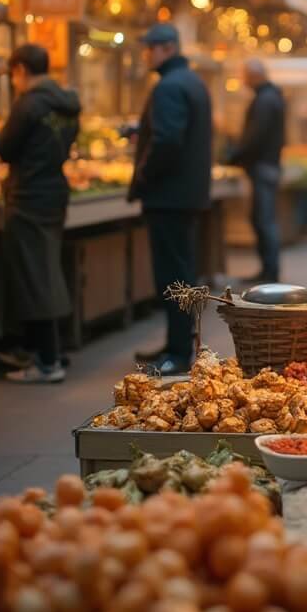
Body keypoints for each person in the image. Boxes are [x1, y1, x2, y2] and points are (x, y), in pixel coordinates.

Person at [129, 24, 212, 376]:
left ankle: (178, 353)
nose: (146, 54)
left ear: (166, 48)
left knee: (173, 276)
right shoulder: (192, 82)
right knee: (182, 273)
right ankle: (179, 343)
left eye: (149, 48)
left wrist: (144, 174)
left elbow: (168, 141)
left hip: (169, 196)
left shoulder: (168, 86)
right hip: (186, 194)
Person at [0, 44, 81, 384]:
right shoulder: (67, 104)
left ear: (20, 69)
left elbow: (5, 149)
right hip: (54, 192)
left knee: (36, 275)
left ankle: (47, 361)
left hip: (28, 194)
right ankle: (45, 351)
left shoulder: (28, 104)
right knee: (46, 270)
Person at [227, 59, 285, 283]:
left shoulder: (265, 100)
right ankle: (268, 269)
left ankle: (270, 271)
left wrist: (235, 156)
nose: (243, 80)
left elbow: (255, 136)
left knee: (264, 219)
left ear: (254, 75)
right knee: (263, 218)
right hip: (267, 164)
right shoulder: (270, 97)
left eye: (245, 76)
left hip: (263, 165)